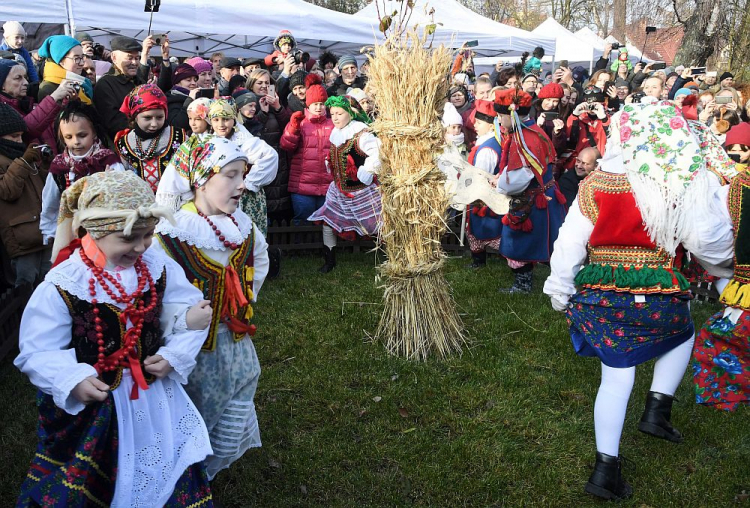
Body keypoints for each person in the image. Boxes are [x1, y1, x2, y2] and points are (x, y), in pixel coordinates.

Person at [544, 101, 736, 501]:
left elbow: (569, 243)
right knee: (683, 331)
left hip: (600, 291)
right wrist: (727, 269)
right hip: (659, 288)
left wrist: (560, 288)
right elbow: (706, 242)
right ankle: (657, 409)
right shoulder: (679, 181)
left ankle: (605, 468)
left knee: (616, 374)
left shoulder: (597, 182)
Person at [15, 170, 215, 506]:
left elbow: (185, 311)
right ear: (95, 231)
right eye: (128, 238)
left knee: (166, 462)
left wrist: (176, 350)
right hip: (96, 405)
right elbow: (38, 350)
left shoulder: (156, 265)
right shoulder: (65, 283)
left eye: (148, 235)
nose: (141, 246)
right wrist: (72, 379)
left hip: (154, 396)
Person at [154, 135, 269, 479]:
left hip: (236, 343)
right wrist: (181, 318)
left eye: (243, 174)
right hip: (192, 356)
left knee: (235, 409)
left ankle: (211, 470)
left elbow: (258, 261)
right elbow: (153, 296)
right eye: (231, 175)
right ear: (201, 180)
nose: (241, 185)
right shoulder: (171, 234)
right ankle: (188, 476)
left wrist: (245, 298)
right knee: (196, 414)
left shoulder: (242, 227)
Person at [489, 88, 565, 293]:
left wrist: (500, 185)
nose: (498, 119)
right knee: (544, 242)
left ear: (511, 114)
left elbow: (520, 176)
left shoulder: (526, 139)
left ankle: (523, 286)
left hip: (531, 200)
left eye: (500, 115)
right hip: (542, 195)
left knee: (520, 242)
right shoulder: (528, 132)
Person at [40, 102, 123, 246]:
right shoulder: (60, 167)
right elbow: (50, 204)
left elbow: (122, 197)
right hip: (70, 236)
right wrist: (50, 232)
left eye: (82, 135)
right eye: (69, 137)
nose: (76, 142)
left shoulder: (107, 161)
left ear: (94, 132)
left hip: (107, 234)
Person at [308, 95, 381, 255]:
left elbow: (378, 154)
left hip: (362, 191)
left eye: (339, 114)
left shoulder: (361, 133)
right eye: (332, 114)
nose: (334, 118)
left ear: (351, 112)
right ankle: (329, 258)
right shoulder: (336, 133)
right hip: (339, 190)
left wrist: (367, 170)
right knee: (328, 221)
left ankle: (391, 256)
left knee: (378, 225)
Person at [280, 76, 335, 270]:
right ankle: (298, 250)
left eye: (322, 104)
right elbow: (286, 145)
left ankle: (321, 250)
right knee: (302, 216)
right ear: (308, 105)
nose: (319, 107)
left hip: (327, 182)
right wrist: (293, 128)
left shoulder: (332, 124)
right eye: (315, 104)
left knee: (325, 218)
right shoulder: (300, 122)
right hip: (303, 183)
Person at [204, 98, 278, 238]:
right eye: (216, 120)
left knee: (247, 234)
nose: (221, 124)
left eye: (226, 119)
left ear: (234, 119)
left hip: (245, 197)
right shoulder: (209, 142)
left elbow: (271, 157)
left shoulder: (245, 142)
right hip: (219, 195)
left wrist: (249, 182)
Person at [0, 104, 50, 287]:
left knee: (47, 280)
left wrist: (45, 166)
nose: (19, 141)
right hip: (21, 239)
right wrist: (23, 161)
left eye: (21, 136)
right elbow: (8, 190)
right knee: (25, 286)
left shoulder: (20, 156)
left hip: (41, 232)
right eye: (13, 136)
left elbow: (43, 189)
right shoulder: (15, 160)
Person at [94, 35, 169, 140]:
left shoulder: (138, 81)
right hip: (125, 145)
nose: (134, 62)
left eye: (137, 58)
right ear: (114, 57)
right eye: (129, 58)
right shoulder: (105, 85)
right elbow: (113, 123)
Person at [115, 83, 185, 193]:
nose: (154, 124)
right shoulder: (125, 143)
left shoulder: (178, 136)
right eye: (147, 118)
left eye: (159, 117)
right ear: (135, 116)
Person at [245, 69, 292, 226]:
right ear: (251, 85)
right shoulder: (247, 104)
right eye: (260, 83)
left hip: (280, 157)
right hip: (260, 160)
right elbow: (250, 131)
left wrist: (278, 108)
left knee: (279, 195)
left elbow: (289, 128)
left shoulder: (278, 102)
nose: (264, 86)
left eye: (267, 83)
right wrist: (263, 114)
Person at [0, 59, 72, 150]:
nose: (26, 83)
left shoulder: (29, 105)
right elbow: (26, 129)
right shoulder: (2, 111)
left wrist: (65, 102)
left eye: (25, 77)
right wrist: (54, 97)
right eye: (18, 78)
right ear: (2, 84)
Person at [464, 100, 503, 269]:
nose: (475, 124)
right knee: (476, 227)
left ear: (491, 125)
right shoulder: (486, 143)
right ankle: (478, 262)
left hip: (485, 198)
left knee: (485, 227)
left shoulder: (487, 149)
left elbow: (481, 175)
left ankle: (512, 261)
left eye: (479, 122)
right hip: (483, 196)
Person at [37, 35, 93, 104]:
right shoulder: (47, 88)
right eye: (77, 58)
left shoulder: (81, 80)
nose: (82, 63)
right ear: (61, 60)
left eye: (82, 57)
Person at [166, 63, 201, 132]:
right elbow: (177, 125)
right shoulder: (172, 98)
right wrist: (189, 100)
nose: (193, 83)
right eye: (188, 80)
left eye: (195, 80)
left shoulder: (196, 96)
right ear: (177, 82)